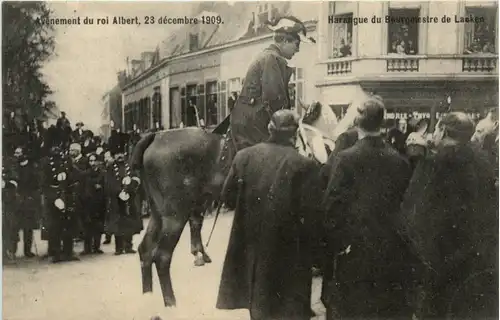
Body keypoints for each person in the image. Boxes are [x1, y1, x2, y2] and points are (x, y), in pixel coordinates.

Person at [216, 110, 321, 320]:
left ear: (269, 129)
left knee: (259, 308)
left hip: (252, 248)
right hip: (290, 252)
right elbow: (312, 215)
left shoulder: (244, 157)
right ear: (294, 133)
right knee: (287, 309)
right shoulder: (305, 165)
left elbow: (227, 198)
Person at [320, 97, 414, 319]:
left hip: (355, 251)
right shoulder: (399, 161)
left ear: (356, 121)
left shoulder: (345, 159)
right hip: (390, 251)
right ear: (381, 122)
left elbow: (332, 206)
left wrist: (339, 245)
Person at [399, 112, 498, 319]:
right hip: (475, 263)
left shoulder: (434, 163)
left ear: (443, 130)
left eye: (436, 128)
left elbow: (413, 211)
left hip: (438, 263)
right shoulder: (484, 163)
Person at [217, 16, 315, 175]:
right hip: (254, 124)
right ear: (284, 41)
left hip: (247, 120)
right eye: (296, 44)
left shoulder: (268, 56)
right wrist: (293, 122)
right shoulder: (272, 58)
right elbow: (275, 100)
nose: (298, 50)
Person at [40, 128, 80, 263]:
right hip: (53, 197)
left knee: (68, 224)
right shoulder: (46, 163)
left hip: (66, 195)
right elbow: (44, 184)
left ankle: (68, 251)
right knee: (54, 226)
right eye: (54, 146)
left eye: (59, 146)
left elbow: (73, 178)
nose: (57, 149)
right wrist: (54, 198)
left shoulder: (67, 161)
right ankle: (55, 252)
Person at [104, 132, 143, 255]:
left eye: (121, 153)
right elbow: (108, 182)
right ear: (114, 155)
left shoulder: (129, 166)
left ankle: (128, 245)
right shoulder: (110, 168)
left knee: (129, 223)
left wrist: (130, 187)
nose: (119, 156)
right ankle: (119, 248)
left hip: (129, 199)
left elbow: (136, 179)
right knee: (118, 224)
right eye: (117, 154)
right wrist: (118, 192)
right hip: (116, 200)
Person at [13, 146, 40, 258]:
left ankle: (27, 250)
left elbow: (36, 185)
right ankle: (12, 250)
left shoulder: (32, 168)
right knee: (14, 225)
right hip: (16, 200)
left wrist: (32, 197)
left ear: (24, 154)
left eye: (18, 153)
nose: (16, 155)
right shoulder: (14, 166)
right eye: (15, 153)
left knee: (28, 227)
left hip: (28, 200)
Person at [68, 143, 92, 254]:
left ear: (78, 151)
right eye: (70, 150)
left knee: (84, 216)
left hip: (83, 192)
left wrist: (78, 172)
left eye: (72, 150)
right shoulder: (69, 161)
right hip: (72, 192)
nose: (70, 152)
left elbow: (88, 173)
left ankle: (85, 239)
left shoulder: (85, 160)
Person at [84, 153, 106, 254]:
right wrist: (95, 185)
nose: (92, 163)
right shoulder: (86, 173)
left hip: (100, 202)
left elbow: (104, 186)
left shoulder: (102, 173)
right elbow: (86, 187)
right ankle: (87, 248)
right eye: (90, 161)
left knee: (98, 225)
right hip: (88, 202)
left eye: (94, 161)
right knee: (88, 225)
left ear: (98, 162)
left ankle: (96, 247)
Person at [2, 154, 19, 263]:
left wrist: (6, 183)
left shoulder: (8, 166)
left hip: (8, 202)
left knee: (10, 227)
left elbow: (15, 182)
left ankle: (10, 251)